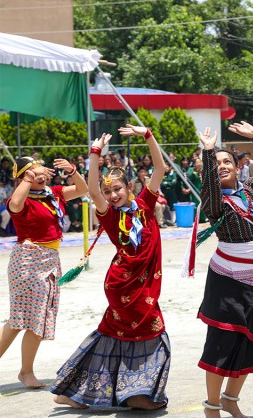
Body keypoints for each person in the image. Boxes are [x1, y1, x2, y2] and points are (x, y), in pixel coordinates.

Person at [50, 127, 169, 410]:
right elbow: (91, 189)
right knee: (152, 335)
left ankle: (72, 391)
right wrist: (94, 154)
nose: (112, 194)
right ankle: (137, 395)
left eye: (117, 189)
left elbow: (161, 167)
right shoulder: (108, 215)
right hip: (124, 285)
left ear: (129, 187)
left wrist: (147, 134)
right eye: (107, 191)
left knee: (112, 334)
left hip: (142, 286)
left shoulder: (145, 204)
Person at [196, 122, 253, 418]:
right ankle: (211, 407)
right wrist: (208, 152)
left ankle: (231, 399)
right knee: (221, 342)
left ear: (237, 165)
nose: (222, 166)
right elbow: (208, 185)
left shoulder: (252, 193)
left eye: (226, 161)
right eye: (216, 164)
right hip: (226, 280)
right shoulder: (215, 203)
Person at [0, 156, 88, 390]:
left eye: (40, 170)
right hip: (28, 260)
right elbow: (15, 206)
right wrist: (27, 180)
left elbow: (83, 189)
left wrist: (72, 170)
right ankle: (25, 371)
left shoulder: (53, 193)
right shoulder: (21, 198)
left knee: (38, 318)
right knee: (19, 319)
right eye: (32, 172)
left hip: (50, 260)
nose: (40, 174)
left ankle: (26, 371)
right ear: (23, 177)